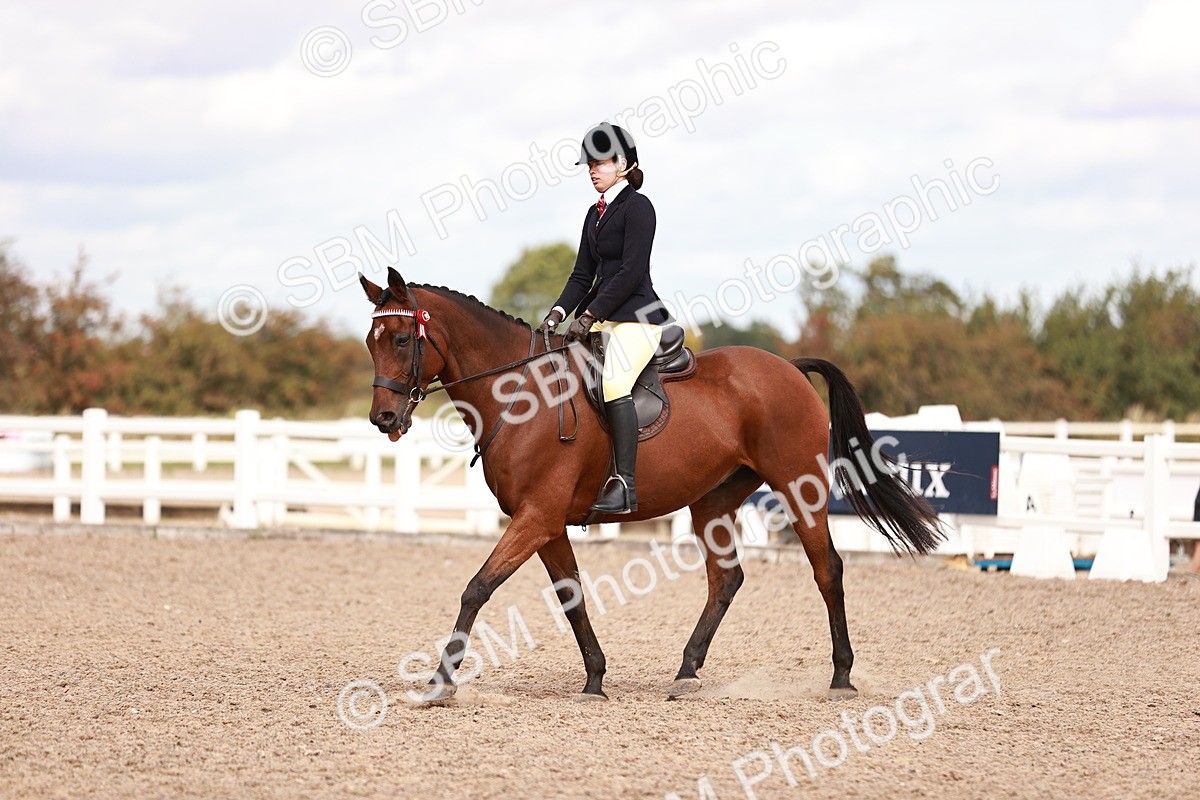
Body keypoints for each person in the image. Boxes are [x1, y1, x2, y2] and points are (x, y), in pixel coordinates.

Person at [535, 123, 670, 514]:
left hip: (637, 318)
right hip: (602, 320)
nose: (593, 170)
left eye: (601, 162)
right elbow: (582, 275)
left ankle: (625, 484)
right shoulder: (594, 215)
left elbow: (630, 272)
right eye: (589, 164)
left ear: (624, 164)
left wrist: (592, 313)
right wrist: (557, 313)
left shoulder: (639, 207)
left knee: (613, 383)